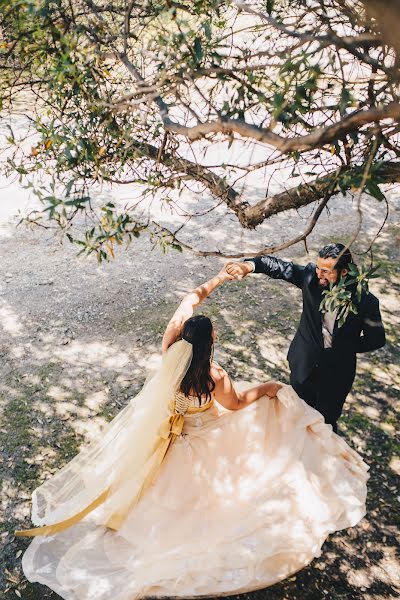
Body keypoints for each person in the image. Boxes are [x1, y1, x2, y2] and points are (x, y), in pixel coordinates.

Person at [16, 267, 369, 599]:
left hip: (170, 435)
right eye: (213, 332)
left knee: (160, 491)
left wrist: (215, 280)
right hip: (201, 437)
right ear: (210, 340)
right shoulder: (212, 376)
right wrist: (268, 388)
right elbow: (234, 405)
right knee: (227, 473)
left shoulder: (171, 349)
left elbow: (188, 302)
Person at [226, 243, 386, 433]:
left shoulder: (365, 301)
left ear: (344, 272)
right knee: (295, 414)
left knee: (326, 423)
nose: (319, 274)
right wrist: (249, 266)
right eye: (318, 267)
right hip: (303, 363)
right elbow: (278, 267)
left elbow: (376, 339)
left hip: (336, 374)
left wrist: (343, 347)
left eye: (326, 271)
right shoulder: (311, 277)